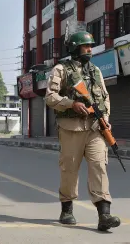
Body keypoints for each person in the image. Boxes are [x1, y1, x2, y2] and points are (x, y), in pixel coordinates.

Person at [44, 30, 120, 231]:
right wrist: (70, 104)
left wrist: (106, 119)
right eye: (86, 46)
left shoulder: (96, 71)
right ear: (75, 48)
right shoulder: (61, 70)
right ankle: (67, 209)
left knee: (99, 166)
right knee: (69, 170)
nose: (89, 49)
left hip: (95, 128)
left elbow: (105, 98)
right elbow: (50, 97)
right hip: (71, 128)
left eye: (90, 46)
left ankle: (104, 214)